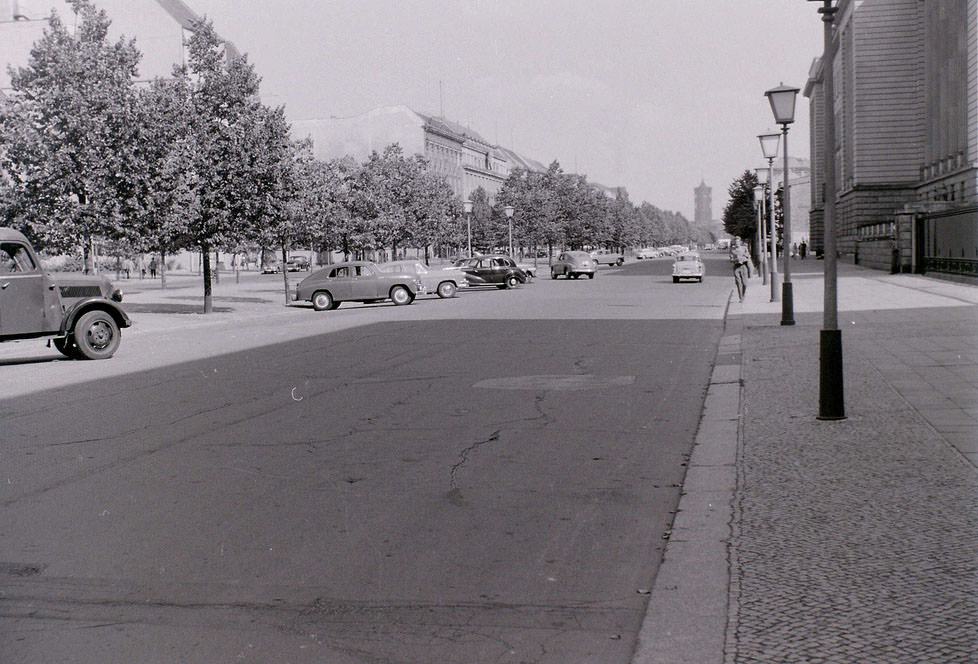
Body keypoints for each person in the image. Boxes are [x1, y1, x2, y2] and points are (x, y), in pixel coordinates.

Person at [729, 237, 750, 302]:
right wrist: (736, 260)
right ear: (734, 243)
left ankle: (743, 295)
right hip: (736, 267)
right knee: (738, 283)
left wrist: (743, 259)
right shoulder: (732, 250)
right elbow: (731, 260)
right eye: (736, 242)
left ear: (740, 242)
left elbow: (748, 257)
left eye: (738, 242)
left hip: (743, 266)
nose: (737, 243)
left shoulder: (744, 248)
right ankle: (741, 298)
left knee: (745, 283)